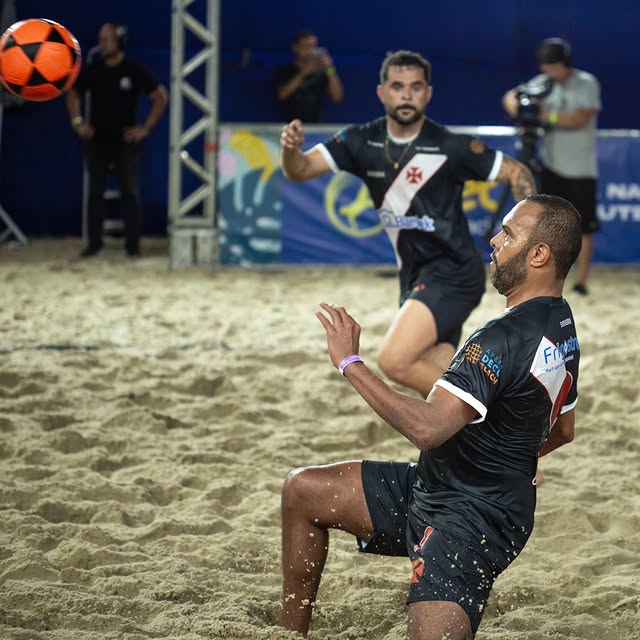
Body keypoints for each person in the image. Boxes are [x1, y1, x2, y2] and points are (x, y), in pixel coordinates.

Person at [279, 193, 582, 639]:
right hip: (435, 486)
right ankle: (289, 633)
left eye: (508, 234)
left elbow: (426, 428)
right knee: (302, 491)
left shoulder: (501, 338)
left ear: (539, 255)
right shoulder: (561, 323)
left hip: (472, 521)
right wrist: (512, 460)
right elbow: (564, 430)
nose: (494, 241)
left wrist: (349, 362)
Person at [281, 50, 536, 398]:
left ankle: (494, 416)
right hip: (414, 275)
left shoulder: (450, 145)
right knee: (437, 374)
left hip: (453, 273)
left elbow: (517, 172)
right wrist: (290, 151)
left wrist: (524, 237)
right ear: (381, 92)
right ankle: (477, 423)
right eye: (397, 87)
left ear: (427, 93)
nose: (406, 95)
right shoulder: (359, 141)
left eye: (415, 87)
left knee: (394, 361)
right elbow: (299, 170)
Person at [502, 37, 601, 295]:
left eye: (553, 67)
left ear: (565, 64)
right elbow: (511, 96)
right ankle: (550, 279)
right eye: (545, 67)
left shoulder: (586, 83)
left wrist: (547, 115)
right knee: (548, 227)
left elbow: (581, 118)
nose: (548, 72)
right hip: (549, 166)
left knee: (584, 227)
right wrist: (516, 106)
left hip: (580, 169)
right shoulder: (543, 82)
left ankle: (581, 282)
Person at [66, 23, 169, 258]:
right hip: (97, 141)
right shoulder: (94, 70)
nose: (102, 44)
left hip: (124, 141)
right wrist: (77, 122)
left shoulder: (133, 70)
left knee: (129, 193)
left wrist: (146, 128)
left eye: (107, 40)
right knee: (95, 193)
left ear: (120, 42)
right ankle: (94, 244)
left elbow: (160, 97)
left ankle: (133, 246)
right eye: (100, 40)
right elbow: (72, 93)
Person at [275, 30, 344, 123]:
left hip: (315, 126)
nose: (310, 51)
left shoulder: (321, 74)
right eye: (306, 47)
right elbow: (282, 95)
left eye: (313, 46)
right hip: (290, 125)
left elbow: (337, 97)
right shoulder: (285, 71)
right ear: (295, 47)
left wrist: (330, 68)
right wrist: (303, 74)